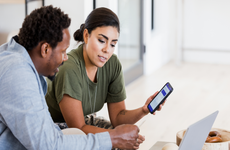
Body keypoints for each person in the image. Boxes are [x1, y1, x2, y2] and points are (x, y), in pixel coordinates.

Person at [0, 5, 143, 150]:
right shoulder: (17, 74)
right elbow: (48, 145)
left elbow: (48, 134)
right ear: (45, 49)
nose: (65, 58)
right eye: (63, 51)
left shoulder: (19, 59)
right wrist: (112, 138)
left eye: (113, 44)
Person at [45, 6, 165, 146]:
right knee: (117, 140)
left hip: (84, 122)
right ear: (86, 36)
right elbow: (77, 129)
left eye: (113, 44)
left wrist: (144, 110)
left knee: (127, 141)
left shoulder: (112, 64)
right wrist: (117, 137)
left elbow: (118, 118)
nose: (107, 50)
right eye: (102, 41)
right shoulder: (69, 68)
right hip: (56, 129)